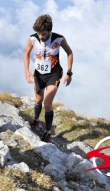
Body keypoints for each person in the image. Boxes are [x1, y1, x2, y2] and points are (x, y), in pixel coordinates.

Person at [23, 14, 73, 143]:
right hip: (39, 74)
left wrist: (69, 73)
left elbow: (69, 53)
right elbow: (26, 53)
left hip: (54, 74)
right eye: (39, 33)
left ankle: (48, 132)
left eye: (43, 33)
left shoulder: (59, 39)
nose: (41, 36)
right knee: (38, 100)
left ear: (50, 30)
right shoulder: (32, 38)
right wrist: (27, 71)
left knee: (47, 103)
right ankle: (36, 120)